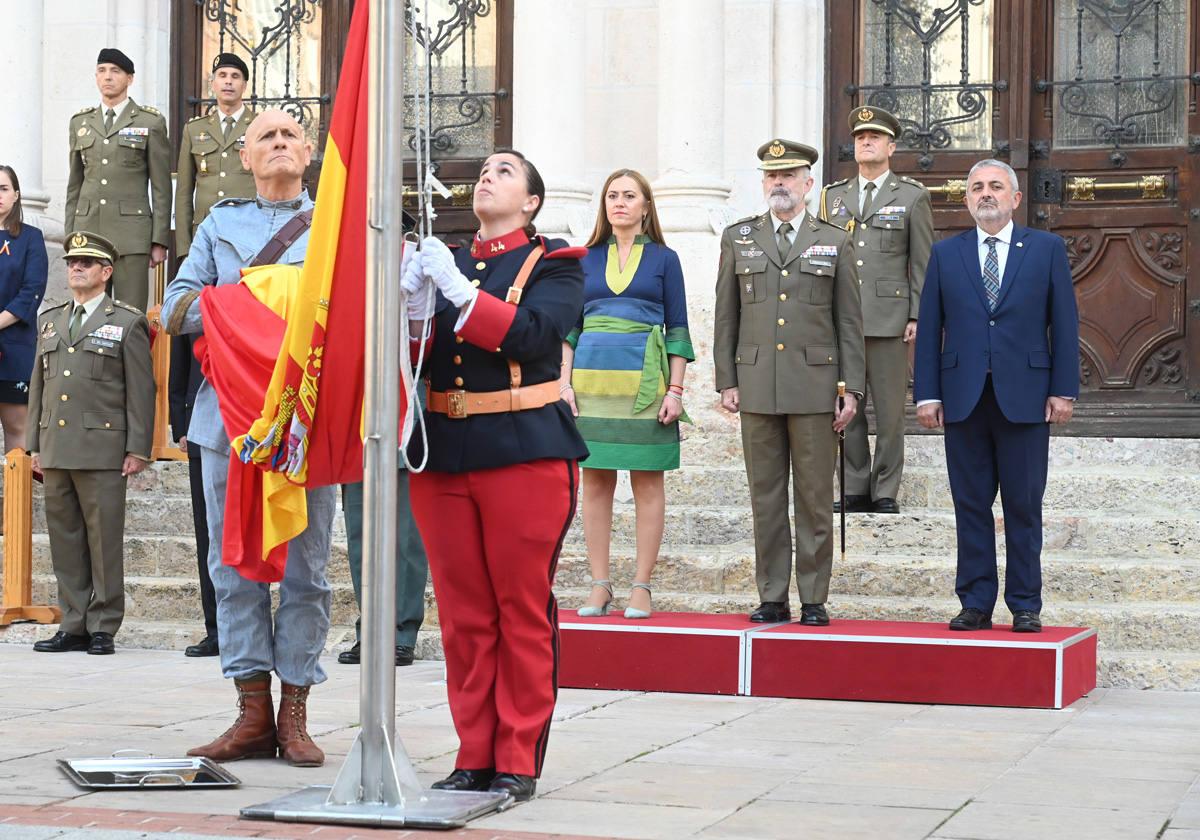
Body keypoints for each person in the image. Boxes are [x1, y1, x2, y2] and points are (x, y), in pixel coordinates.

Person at [404, 149, 587, 802]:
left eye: (506, 171)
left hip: (523, 450)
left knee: (520, 609)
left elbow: (537, 336)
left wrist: (459, 295)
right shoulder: (444, 261)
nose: (488, 176)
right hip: (444, 449)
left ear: (532, 201)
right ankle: (473, 751)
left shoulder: (555, 263)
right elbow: (413, 358)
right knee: (462, 614)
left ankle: (516, 756)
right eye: (483, 170)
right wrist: (411, 305)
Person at [162, 110, 336, 766]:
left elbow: (354, 310)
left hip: (305, 422)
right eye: (267, 136)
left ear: (310, 151)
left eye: (291, 135)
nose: (281, 144)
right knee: (232, 566)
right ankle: (250, 711)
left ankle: (294, 715)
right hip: (226, 420)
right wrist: (252, 303)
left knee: (306, 569)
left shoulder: (332, 227)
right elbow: (175, 306)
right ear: (244, 155)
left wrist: (283, 301)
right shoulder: (218, 224)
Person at [914, 159, 1079, 634]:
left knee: (1024, 505)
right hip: (963, 396)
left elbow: (1064, 324)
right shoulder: (947, 254)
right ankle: (976, 602)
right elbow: (930, 330)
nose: (985, 194)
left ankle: (1025, 603)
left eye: (995, 187)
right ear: (966, 199)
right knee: (970, 504)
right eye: (977, 188)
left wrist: (1063, 389)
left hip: (1026, 397)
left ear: (1015, 198)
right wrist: (927, 394)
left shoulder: (1046, 249)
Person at [713, 139, 865, 626]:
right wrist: (726, 380)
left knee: (815, 497)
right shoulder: (739, 237)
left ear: (808, 183)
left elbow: (849, 323)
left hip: (816, 387)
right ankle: (772, 595)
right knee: (766, 495)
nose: (778, 183)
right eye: (770, 176)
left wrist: (852, 389)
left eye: (788, 175)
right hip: (757, 384)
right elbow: (726, 316)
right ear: (763, 183)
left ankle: (814, 596)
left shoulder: (835, 239)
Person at [561, 169, 692, 620]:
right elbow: (569, 329)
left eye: (629, 196)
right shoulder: (583, 258)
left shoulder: (664, 259)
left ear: (645, 206)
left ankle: (642, 586)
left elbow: (677, 329)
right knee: (594, 483)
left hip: (646, 385)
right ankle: (599, 585)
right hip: (591, 386)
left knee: (647, 482)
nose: (620, 202)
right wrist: (564, 384)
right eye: (612, 195)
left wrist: (675, 389)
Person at [28, 231, 156, 656]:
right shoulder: (51, 320)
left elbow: (141, 389)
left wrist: (138, 448)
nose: (76, 268)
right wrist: (34, 444)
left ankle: (103, 624)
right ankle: (73, 622)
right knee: (65, 539)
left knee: (103, 542)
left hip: (103, 448)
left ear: (106, 271)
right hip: (57, 444)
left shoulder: (126, 321)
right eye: (71, 262)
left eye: (85, 263)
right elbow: (38, 388)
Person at [820, 106, 933, 514]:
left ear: (891, 146)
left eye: (874, 136)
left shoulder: (911, 196)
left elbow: (921, 262)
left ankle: (885, 488)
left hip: (889, 319)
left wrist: (917, 313)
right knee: (845, 406)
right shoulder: (832, 197)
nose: (865, 142)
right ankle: (853, 485)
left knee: (888, 412)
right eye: (859, 137)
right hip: (842, 320)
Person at [65, 49, 170, 313]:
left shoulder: (150, 121)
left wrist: (159, 240)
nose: (107, 77)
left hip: (131, 236)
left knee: (129, 314)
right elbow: (74, 184)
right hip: (88, 233)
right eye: (102, 71)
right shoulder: (81, 122)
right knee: (88, 311)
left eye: (115, 71)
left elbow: (161, 187)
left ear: (130, 78)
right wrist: (70, 237)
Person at [336, 476, 429, 667]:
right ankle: (370, 635)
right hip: (357, 452)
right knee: (360, 539)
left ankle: (402, 636)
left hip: (405, 452)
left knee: (407, 539)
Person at [175, 52, 257, 257]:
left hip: (248, 230)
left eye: (235, 76)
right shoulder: (194, 129)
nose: (228, 81)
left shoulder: (260, 126)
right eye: (222, 75)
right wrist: (185, 248)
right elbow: (184, 191)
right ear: (213, 83)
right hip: (205, 231)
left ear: (245, 86)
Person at [168, 332, 218, 657]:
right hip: (200, 421)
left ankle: (251, 627)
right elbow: (180, 364)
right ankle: (216, 629)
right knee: (207, 533)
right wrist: (181, 425)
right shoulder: (194, 292)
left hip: (254, 421)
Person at [0, 165, 49, 452]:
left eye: (4, 189)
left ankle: (18, 497)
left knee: (17, 426)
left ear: (17, 195)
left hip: (14, 344)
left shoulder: (30, 237)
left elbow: (31, 291)